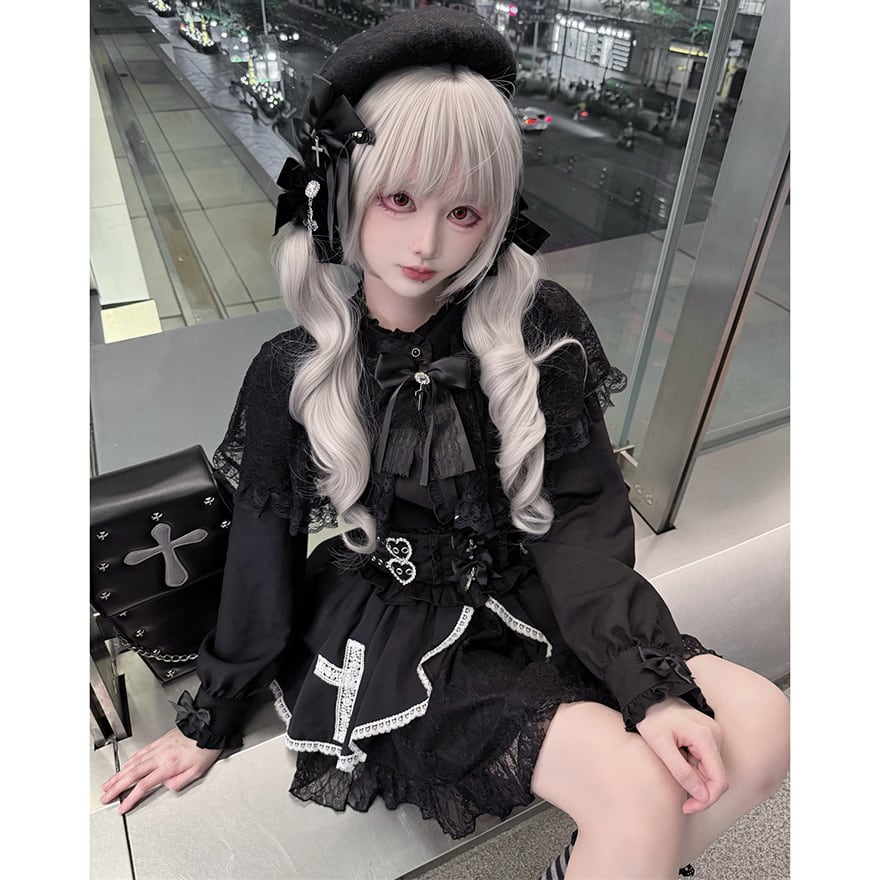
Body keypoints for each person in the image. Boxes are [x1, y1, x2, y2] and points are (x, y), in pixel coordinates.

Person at [101, 9, 789, 879]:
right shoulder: (295, 369)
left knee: (767, 728)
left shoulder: (536, 326)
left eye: (463, 211)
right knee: (636, 794)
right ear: (340, 188)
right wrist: (212, 717)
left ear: (496, 217)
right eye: (398, 200)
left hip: (542, 589)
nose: (426, 244)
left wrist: (647, 687)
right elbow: (262, 546)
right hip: (399, 627)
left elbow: (582, 512)